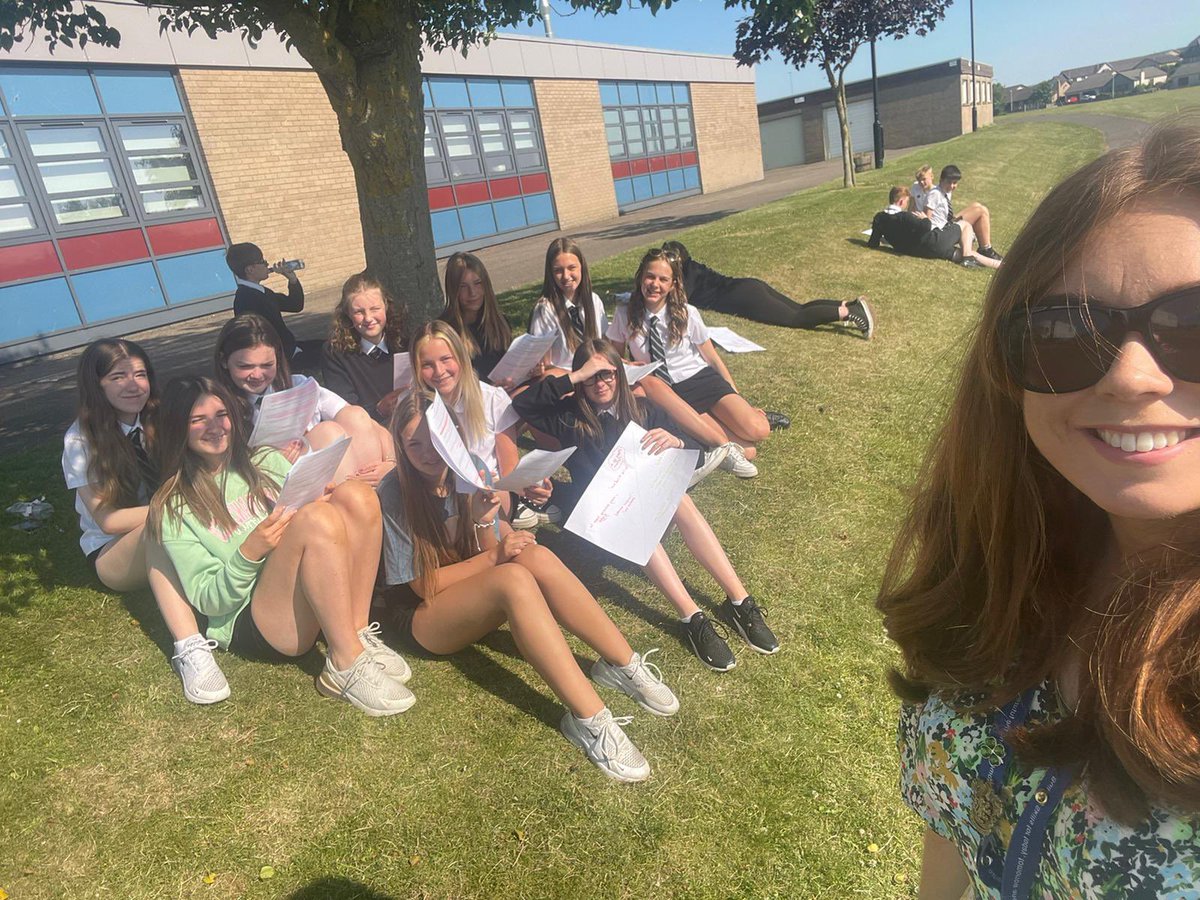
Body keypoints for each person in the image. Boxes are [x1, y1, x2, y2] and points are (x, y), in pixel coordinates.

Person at [876, 120, 1200, 897]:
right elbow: (956, 830)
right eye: (1062, 331)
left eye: (1191, 326)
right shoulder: (1008, 564)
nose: (1129, 377)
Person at [377, 387, 679, 781]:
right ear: (400, 447)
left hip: (463, 590)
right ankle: (590, 719)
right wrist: (494, 557)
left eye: (435, 441)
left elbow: (485, 544)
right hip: (420, 617)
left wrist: (486, 519)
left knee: (532, 556)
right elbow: (423, 586)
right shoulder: (395, 490)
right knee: (513, 579)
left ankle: (622, 664)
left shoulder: (464, 467)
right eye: (414, 445)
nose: (428, 454)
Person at [149, 376, 414, 716]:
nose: (215, 427)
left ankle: (357, 631)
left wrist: (323, 496)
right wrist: (250, 551)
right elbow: (209, 602)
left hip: (302, 586)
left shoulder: (263, 462)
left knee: (356, 496)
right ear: (177, 428)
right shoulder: (174, 506)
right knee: (316, 520)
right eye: (197, 420)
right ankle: (344, 663)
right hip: (256, 619)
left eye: (220, 415)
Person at [514, 339, 780, 672]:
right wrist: (575, 375)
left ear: (620, 375)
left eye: (607, 374)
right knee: (638, 510)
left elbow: (695, 453)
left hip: (651, 507)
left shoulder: (644, 410)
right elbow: (525, 405)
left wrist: (677, 441)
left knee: (680, 499)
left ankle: (740, 601)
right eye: (592, 377)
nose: (601, 383)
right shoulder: (569, 419)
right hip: (606, 519)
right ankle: (691, 617)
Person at [62, 339, 229, 705]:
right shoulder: (81, 440)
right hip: (115, 552)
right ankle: (191, 648)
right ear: (97, 384)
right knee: (160, 524)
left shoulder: (159, 417)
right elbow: (109, 520)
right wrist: (177, 505)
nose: (133, 384)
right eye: (118, 376)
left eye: (140, 374)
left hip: (177, 523)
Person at [608, 247, 769, 478]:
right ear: (640, 277)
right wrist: (629, 364)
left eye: (663, 279)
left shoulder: (687, 312)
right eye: (650, 276)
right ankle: (711, 430)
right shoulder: (625, 313)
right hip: (670, 392)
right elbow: (616, 357)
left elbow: (711, 357)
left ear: (673, 285)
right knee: (748, 451)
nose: (655, 284)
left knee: (758, 429)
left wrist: (737, 394)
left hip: (701, 379)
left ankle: (748, 414)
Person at [214, 314, 394, 486]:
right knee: (329, 432)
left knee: (354, 414)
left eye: (267, 365)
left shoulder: (297, 384)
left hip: (333, 468)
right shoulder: (219, 409)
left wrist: (391, 462)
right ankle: (359, 501)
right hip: (280, 481)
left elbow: (363, 420)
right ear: (224, 361)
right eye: (245, 366)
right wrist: (274, 460)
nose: (257, 375)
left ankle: (373, 490)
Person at [409, 321, 555, 526]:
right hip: (439, 494)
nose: (439, 371)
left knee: (487, 491)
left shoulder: (493, 399)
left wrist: (530, 487)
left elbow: (509, 469)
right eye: (427, 365)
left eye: (445, 359)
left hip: (491, 492)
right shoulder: (414, 408)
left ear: (460, 358)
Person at [659, 240, 873, 339]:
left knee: (796, 318)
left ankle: (850, 313)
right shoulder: (694, 267)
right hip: (748, 286)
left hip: (744, 297)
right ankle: (846, 305)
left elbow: (676, 303)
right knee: (799, 308)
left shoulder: (685, 278)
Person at [321, 272, 409, 424]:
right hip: (370, 432)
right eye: (359, 312)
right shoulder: (335, 352)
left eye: (375, 309)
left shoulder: (404, 341)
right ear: (348, 313)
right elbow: (344, 411)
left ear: (386, 306)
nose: (368, 318)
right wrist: (379, 410)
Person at [227, 242, 323, 372]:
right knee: (332, 353)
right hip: (283, 359)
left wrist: (292, 280)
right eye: (263, 261)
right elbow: (256, 339)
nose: (267, 265)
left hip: (291, 348)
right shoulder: (245, 299)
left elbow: (295, 305)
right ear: (250, 269)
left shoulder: (263, 292)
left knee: (331, 345)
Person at [528, 237, 607, 372]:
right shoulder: (545, 310)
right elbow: (544, 365)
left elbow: (605, 345)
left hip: (598, 375)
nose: (566, 276)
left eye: (572, 268)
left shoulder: (594, 301)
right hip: (566, 379)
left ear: (582, 267)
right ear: (550, 273)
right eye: (558, 270)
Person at [439, 252, 513, 385]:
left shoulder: (499, 322)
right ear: (453, 290)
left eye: (478, 283)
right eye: (463, 287)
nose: (472, 293)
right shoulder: (446, 333)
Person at [925, 165, 1003, 267]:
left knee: (976, 205)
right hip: (940, 231)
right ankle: (986, 249)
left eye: (955, 183)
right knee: (981, 211)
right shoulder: (935, 194)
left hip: (945, 222)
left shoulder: (945, 191)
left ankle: (985, 248)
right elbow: (926, 217)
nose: (952, 186)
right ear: (941, 180)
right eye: (949, 182)